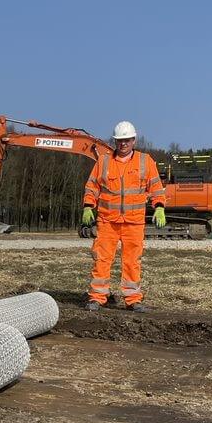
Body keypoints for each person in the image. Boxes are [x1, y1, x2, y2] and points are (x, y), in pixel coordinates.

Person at [81, 121, 167, 312]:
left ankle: (133, 299)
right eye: (120, 140)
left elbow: (156, 187)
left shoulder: (146, 161)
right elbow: (92, 187)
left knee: (132, 261)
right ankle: (97, 297)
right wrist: (88, 206)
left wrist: (159, 206)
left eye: (127, 140)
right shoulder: (103, 161)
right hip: (107, 220)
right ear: (115, 141)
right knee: (102, 259)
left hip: (133, 222)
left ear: (134, 140)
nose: (123, 144)